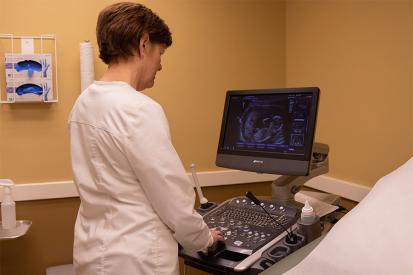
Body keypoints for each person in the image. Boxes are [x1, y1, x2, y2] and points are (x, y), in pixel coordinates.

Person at [68, 2, 224, 274]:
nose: (160, 65)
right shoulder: (139, 109)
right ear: (143, 45)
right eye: (160, 53)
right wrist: (205, 239)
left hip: (93, 254)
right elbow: (173, 200)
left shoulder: (82, 104)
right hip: (138, 260)